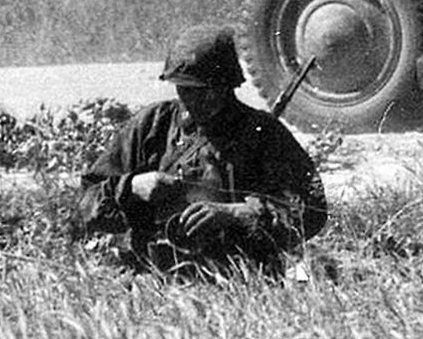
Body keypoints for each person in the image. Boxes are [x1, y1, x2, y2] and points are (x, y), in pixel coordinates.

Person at [78, 24, 328, 279]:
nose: (192, 100)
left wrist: (236, 213)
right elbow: (89, 199)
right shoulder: (153, 125)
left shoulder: (263, 133)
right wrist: (131, 186)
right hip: (152, 282)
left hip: (239, 283)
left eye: (203, 91)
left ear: (227, 85)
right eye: (184, 89)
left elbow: (310, 210)